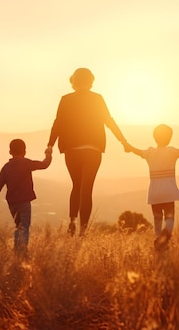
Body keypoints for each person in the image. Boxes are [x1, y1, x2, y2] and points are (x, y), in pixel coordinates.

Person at [46, 67, 128, 236]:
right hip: (93, 148)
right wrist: (123, 140)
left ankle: (72, 221)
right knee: (86, 189)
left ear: (73, 81)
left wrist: (50, 145)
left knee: (76, 186)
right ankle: (83, 230)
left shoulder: (66, 99)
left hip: (71, 148)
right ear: (91, 81)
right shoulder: (97, 99)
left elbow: (58, 122)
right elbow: (108, 121)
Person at [124, 124, 179, 250]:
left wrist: (126, 145)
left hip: (154, 192)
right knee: (170, 218)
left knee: (157, 218)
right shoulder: (172, 152)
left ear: (154, 137)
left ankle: (158, 239)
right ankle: (164, 237)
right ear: (169, 138)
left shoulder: (150, 153)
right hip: (169, 191)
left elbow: (134, 150)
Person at [0, 138, 51, 256]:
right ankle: (22, 251)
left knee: (18, 226)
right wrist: (48, 154)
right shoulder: (26, 163)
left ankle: (17, 249)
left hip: (12, 204)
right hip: (24, 202)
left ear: (10, 152)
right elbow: (44, 165)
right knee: (25, 227)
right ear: (25, 151)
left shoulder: (6, 167)